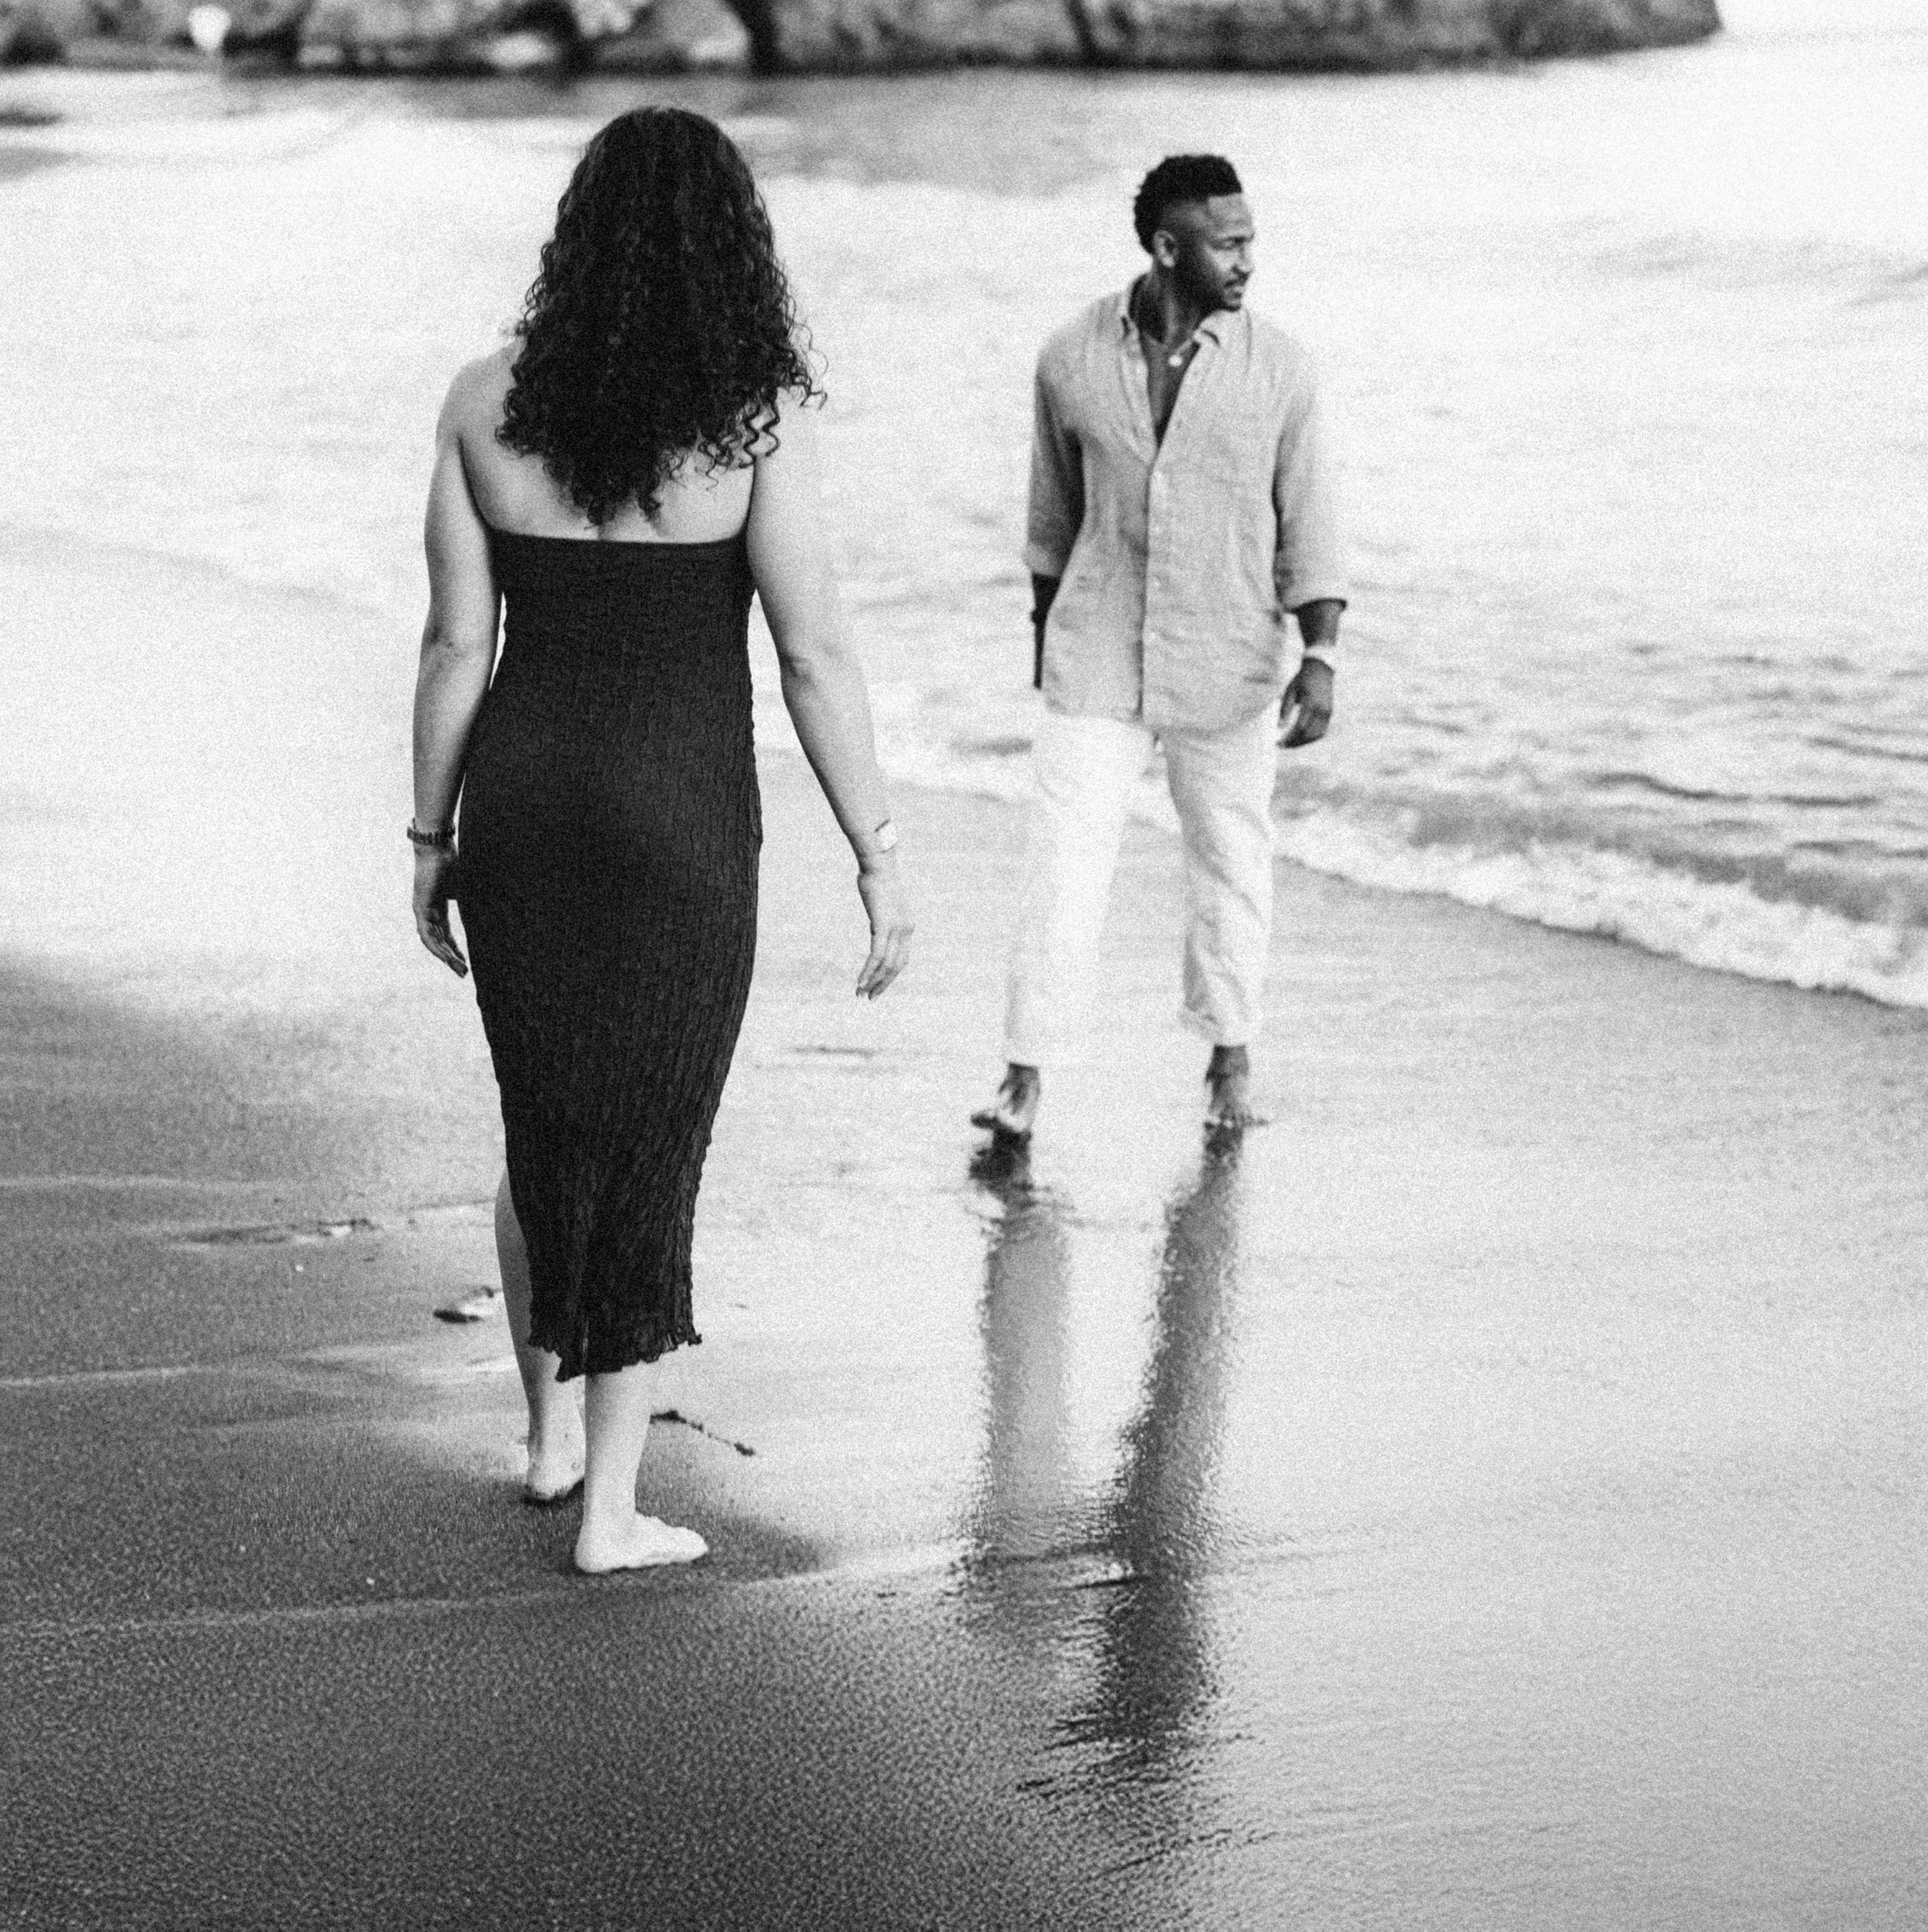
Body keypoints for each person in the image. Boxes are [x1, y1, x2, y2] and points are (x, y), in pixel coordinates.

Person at [409, 105, 913, 1576]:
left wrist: (430, 833)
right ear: (731, 249)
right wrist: (877, 847)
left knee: (543, 1122)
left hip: (525, 799)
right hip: (682, 819)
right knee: (650, 1143)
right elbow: (814, 654)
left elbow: (454, 642)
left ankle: (548, 1434)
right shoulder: (754, 417)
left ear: (580, 238)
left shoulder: (480, 401)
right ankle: (613, 1512)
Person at [975, 152, 1344, 1147]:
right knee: (1062, 863)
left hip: (1231, 659)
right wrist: (1043, 633)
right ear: (1168, 246)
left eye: (1251, 238)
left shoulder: (1282, 366)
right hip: (1096, 650)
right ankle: (1024, 1079)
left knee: (1231, 862)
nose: (1247, 259)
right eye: (1228, 242)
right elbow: (1050, 516)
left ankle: (1230, 1057)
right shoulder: (1070, 355)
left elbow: (1310, 519)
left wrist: (1323, 654)